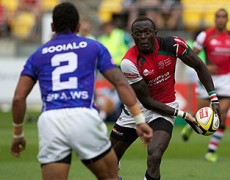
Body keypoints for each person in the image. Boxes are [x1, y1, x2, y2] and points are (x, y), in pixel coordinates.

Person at [10, 2, 152, 180]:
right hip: (83, 116)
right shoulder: (93, 47)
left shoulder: (38, 54)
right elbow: (120, 83)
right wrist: (139, 120)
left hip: (50, 120)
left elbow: (18, 98)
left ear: (52, 27)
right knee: (110, 176)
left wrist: (18, 134)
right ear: (78, 26)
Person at [109, 17, 221, 180]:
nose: (143, 37)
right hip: (136, 111)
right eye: (138, 34)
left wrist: (214, 98)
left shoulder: (173, 45)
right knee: (109, 161)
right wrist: (184, 115)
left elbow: (199, 65)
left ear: (155, 33)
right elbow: (147, 101)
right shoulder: (129, 62)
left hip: (164, 108)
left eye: (147, 32)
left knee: (154, 155)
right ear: (132, 36)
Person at [181, 8, 230, 163]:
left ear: (227, 19)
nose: (221, 19)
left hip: (225, 78)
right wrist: (204, 66)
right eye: (218, 16)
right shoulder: (205, 35)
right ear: (215, 19)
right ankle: (192, 125)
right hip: (207, 77)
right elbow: (191, 55)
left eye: (224, 17)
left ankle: (211, 151)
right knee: (201, 112)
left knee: (221, 113)